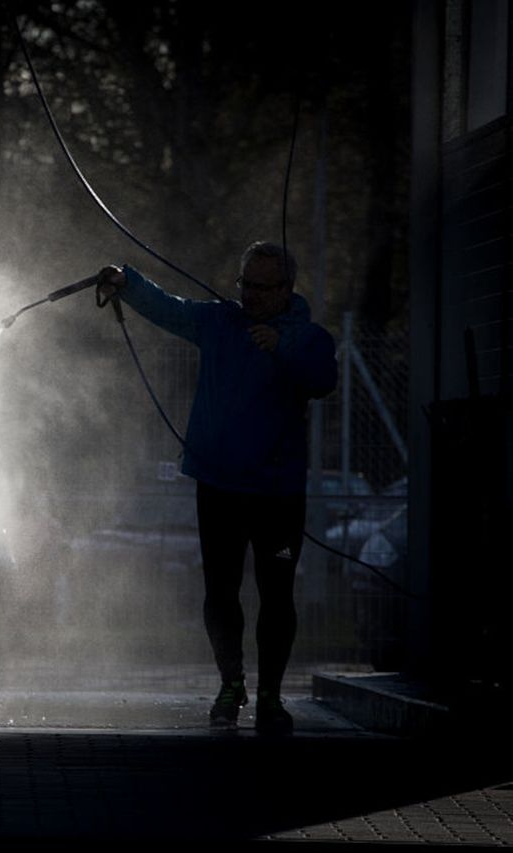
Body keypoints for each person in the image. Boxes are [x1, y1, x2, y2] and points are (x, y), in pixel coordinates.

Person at [97, 242, 337, 733]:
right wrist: (128, 281)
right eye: (245, 284)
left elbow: (322, 380)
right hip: (220, 484)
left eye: (263, 287)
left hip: (277, 492)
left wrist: (282, 347)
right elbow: (172, 309)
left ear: (287, 290)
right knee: (220, 593)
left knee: (276, 594)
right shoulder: (219, 322)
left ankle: (271, 696)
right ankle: (231, 683)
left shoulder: (308, 337)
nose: (250, 295)